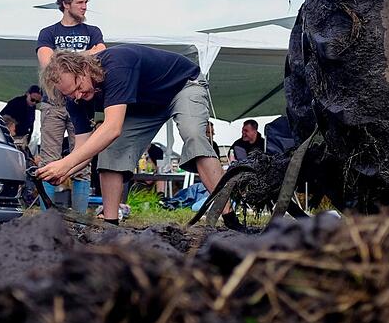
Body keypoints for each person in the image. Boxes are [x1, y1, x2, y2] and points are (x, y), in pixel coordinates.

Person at [35, 46, 242, 230]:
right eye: (71, 94)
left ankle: (230, 217)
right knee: (110, 149)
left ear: (84, 68)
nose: (77, 96)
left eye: (78, 88)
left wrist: (64, 164)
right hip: (145, 105)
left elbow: (112, 128)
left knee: (194, 135)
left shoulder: (116, 66)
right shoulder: (75, 99)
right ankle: (111, 226)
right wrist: (63, 172)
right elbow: (84, 148)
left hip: (182, 86)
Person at [35, 0, 105, 212]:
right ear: (66, 4)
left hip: (82, 101)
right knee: (49, 158)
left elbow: (101, 54)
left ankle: (81, 217)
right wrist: (84, 55)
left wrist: (65, 58)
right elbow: (48, 64)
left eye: (86, 2)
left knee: (83, 159)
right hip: (53, 102)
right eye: (80, 2)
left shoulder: (93, 31)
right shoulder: (48, 32)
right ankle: (48, 217)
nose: (85, 7)